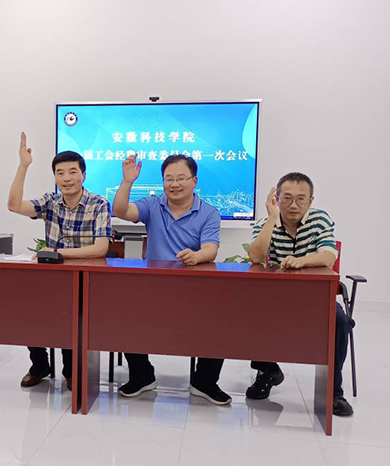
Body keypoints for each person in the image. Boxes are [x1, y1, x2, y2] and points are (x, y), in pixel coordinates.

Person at [112, 154, 231, 405]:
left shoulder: (209, 213)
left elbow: (211, 249)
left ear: (194, 181)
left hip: (193, 288)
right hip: (153, 287)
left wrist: (196, 256)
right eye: (169, 179)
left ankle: (205, 381)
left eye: (181, 178)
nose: (174, 184)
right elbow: (120, 211)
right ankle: (142, 376)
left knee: (220, 318)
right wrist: (127, 181)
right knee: (123, 312)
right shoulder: (153, 205)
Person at [7, 132, 111, 389]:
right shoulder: (50, 202)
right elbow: (14, 205)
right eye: (60, 173)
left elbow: (101, 249)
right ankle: (39, 365)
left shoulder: (98, 204)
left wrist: (60, 253)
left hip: (86, 278)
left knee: (73, 318)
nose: (66, 178)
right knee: (29, 312)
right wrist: (23, 166)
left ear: (83, 175)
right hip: (52, 277)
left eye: (73, 172)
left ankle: (71, 370)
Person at [247, 172, 354, 416]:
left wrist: (300, 261)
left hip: (315, 297)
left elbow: (328, 255)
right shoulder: (267, 222)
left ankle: (334, 392)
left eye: (301, 199)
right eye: (286, 198)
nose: (293, 205)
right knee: (251, 313)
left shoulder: (320, 219)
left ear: (310, 200)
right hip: (276, 297)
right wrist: (271, 218)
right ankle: (268, 371)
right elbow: (255, 256)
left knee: (339, 320)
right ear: (276, 198)